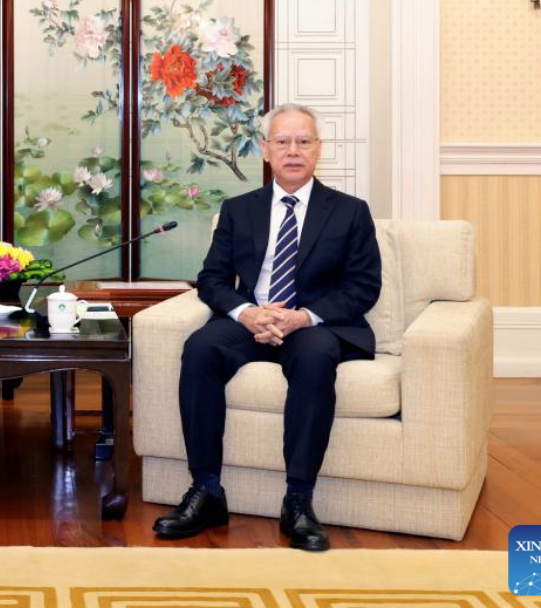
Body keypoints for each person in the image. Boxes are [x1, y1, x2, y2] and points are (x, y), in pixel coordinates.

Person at [153, 103, 381, 552]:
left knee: (316, 356)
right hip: (249, 319)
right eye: (282, 141)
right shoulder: (239, 210)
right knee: (200, 349)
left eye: (303, 141)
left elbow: (363, 287)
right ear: (265, 150)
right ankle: (206, 491)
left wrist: (301, 317)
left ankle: (298, 500)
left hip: (311, 323)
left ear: (319, 149)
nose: (293, 150)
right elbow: (212, 279)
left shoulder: (350, 212)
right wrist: (247, 313)